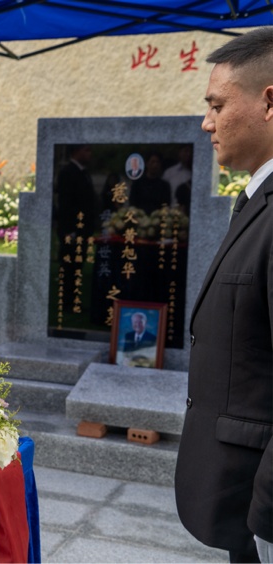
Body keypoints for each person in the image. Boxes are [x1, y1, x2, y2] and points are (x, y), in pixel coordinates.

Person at [175, 28, 273, 564]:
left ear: (269, 100)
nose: (206, 123)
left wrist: (267, 520)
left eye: (217, 105)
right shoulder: (257, 198)